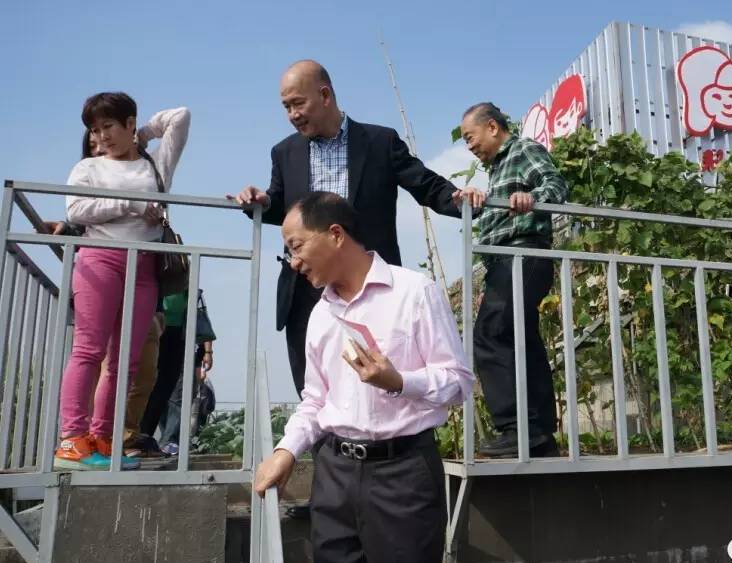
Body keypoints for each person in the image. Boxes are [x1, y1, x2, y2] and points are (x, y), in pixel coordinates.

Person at [254, 192, 473, 563]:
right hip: (334, 475)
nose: (293, 262)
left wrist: (399, 381)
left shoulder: (414, 292)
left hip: (402, 474)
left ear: (335, 234)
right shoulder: (321, 314)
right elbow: (315, 400)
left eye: (296, 247)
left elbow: (458, 382)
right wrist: (286, 451)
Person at [228, 59, 460, 399]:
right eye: (286, 107)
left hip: (371, 288)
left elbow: (426, 184)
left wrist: (464, 202)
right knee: (315, 390)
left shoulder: (380, 141)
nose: (292, 114)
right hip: (306, 288)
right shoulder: (284, 152)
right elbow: (281, 206)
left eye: (298, 103)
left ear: (325, 95)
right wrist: (260, 202)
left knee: (379, 382)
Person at [54, 94, 190, 471]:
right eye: (95, 129)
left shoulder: (154, 164)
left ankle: (103, 438)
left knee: (125, 362)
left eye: (109, 126)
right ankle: (72, 439)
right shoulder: (88, 167)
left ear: (129, 123)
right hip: (99, 259)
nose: (102, 136)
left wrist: (142, 135)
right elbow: (76, 210)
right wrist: (129, 204)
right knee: (88, 350)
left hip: (144, 267)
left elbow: (180, 116)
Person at [453, 102, 568, 458]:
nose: (469, 146)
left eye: (470, 137)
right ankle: (539, 433)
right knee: (522, 339)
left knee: (491, 334)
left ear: (492, 127)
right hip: (505, 261)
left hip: (522, 253)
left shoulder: (522, 150)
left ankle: (516, 428)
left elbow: (556, 185)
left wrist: (532, 198)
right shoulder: (497, 169)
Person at [139, 289, 214, 455]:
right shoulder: (156, 282)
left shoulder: (192, 289)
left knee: (175, 392)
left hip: (181, 338)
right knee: (155, 390)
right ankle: (152, 437)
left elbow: (202, 319)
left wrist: (207, 352)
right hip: (155, 330)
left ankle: (167, 439)